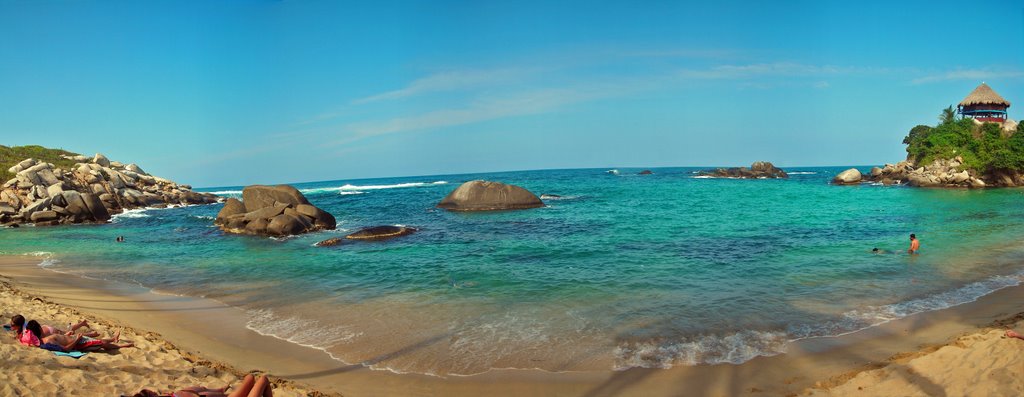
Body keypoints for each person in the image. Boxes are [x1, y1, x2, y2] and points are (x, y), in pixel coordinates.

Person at [27, 320, 133, 352]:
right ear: (39, 328)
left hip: (77, 340)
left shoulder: (45, 339)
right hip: (79, 343)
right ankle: (121, 346)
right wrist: (77, 339)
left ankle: (114, 339)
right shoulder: (47, 341)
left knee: (98, 341)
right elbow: (65, 349)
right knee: (101, 343)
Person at [132, 374, 274, 397]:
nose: (152, 391)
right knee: (262, 380)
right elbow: (203, 391)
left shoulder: (173, 394)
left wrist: (220, 390)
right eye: (149, 393)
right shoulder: (176, 394)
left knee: (251, 378)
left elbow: (205, 391)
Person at [10, 314, 100, 338]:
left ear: (19, 325)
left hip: (49, 332)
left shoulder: (25, 330)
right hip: (46, 328)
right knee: (66, 331)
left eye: (13, 325)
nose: (11, 326)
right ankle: (82, 323)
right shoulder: (24, 323)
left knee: (70, 335)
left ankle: (92, 334)